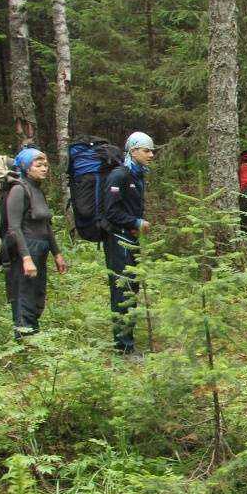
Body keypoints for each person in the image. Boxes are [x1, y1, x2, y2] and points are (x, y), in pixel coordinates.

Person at [101, 131, 156, 355]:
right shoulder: (119, 176)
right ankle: (123, 346)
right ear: (133, 151)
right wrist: (135, 221)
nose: (151, 155)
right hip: (118, 238)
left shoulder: (137, 175)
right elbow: (110, 211)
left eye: (152, 150)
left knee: (132, 288)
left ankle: (127, 340)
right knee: (123, 290)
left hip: (131, 238)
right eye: (146, 150)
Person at [4, 148, 67, 337]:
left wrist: (57, 254)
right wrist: (26, 258)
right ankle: (24, 343)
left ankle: (33, 339)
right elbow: (14, 228)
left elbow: (46, 225)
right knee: (24, 296)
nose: (44, 168)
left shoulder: (38, 190)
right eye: (38, 165)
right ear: (25, 167)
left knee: (37, 296)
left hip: (41, 250)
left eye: (46, 165)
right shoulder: (18, 189)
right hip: (25, 250)